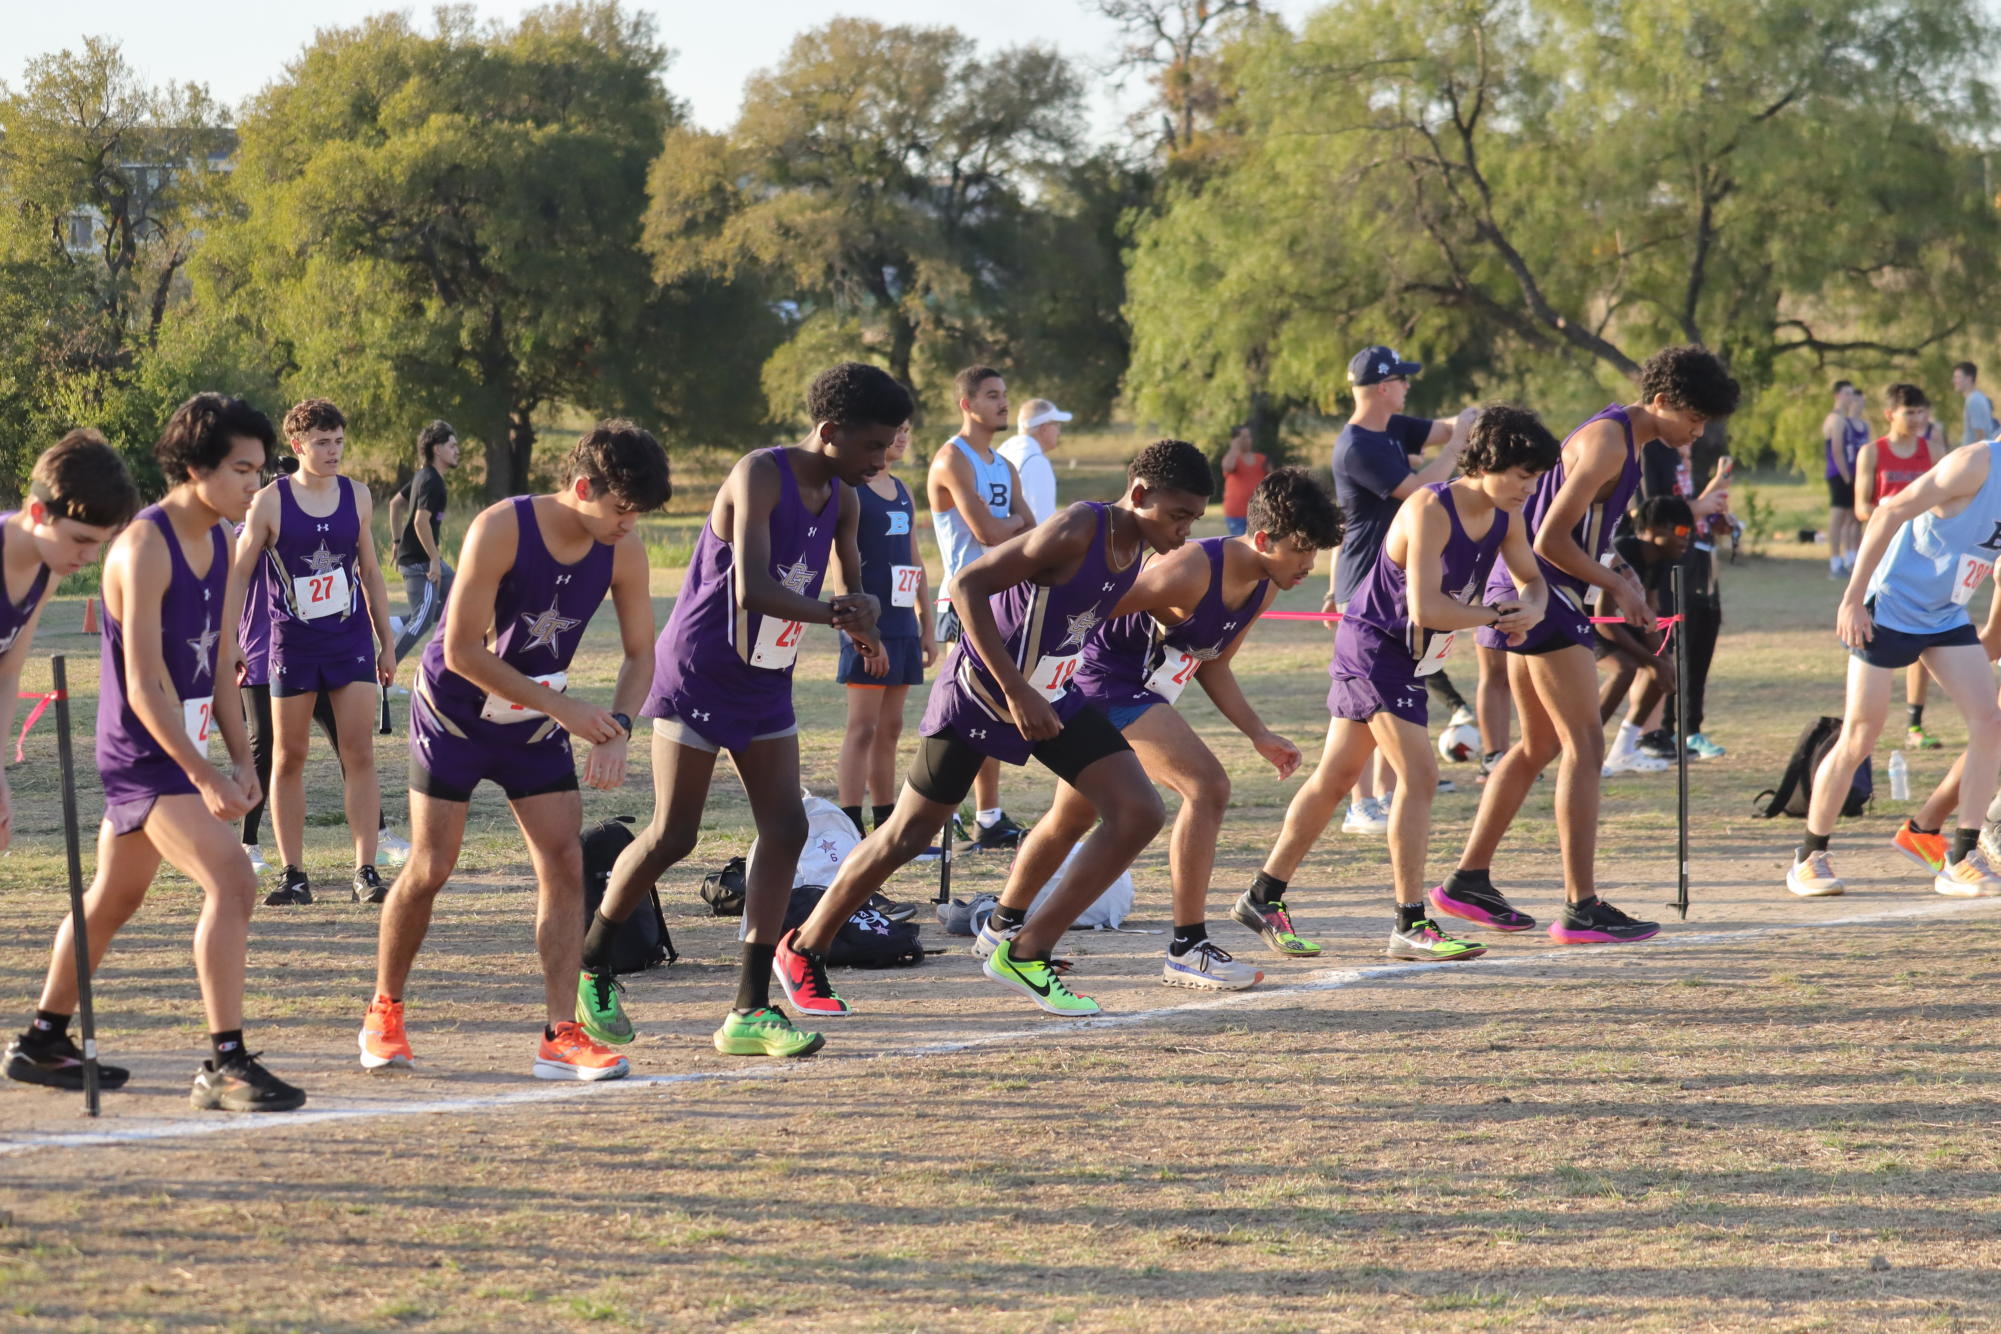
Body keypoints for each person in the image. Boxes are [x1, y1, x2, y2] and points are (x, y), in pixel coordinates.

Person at [770, 439, 1215, 1025]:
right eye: (1178, 515)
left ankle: (1027, 953)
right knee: (907, 834)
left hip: (1052, 694)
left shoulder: (1139, 547)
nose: (1184, 531)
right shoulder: (1079, 528)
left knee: (1138, 811)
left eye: (1194, 520)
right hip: (982, 693)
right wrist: (1016, 690)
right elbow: (968, 587)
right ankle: (802, 948)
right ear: (1138, 495)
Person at [575, 364, 898, 1062]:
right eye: (873, 447)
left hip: (766, 678)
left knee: (784, 827)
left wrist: (864, 618)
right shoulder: (761, 475)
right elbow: (751, 589)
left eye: (890, 446)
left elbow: (850, 579)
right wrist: (835, 616)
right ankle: (592, 965)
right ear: (831, 430)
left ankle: (748, 1010)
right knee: (673, 834)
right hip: (700, 669)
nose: (883, 460)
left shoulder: (843, 499)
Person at [6, 394, 307, 1111]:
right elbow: (144, 686)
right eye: (241, 469)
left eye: (261, 471)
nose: (253, 486)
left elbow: (224, 659)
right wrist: (203, 775)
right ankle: (224, 1063)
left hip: (186, 747)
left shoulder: (226, 543)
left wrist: (241, 760)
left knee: (111, 900)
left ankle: (43, 1038)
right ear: (195, 466)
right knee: (233, 880)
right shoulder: (143, 545)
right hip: (142, 756)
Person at [360, 421, 671, 1079]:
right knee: (431, 866)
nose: (628, 523)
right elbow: (460, 651)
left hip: (532, 722)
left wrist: (616, 726)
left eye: (638, 513)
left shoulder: (624, 549)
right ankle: (384, 1012)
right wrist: (564, 710)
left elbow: (643, 654)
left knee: (562, 859)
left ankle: (559, 1034)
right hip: (455, 713)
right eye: (621, 508)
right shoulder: (502, 527)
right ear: (583, 487)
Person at [1433, 346, 1740, 944]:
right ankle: (1580, 905)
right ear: (1661, 402)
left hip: (1531, 594)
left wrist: (1617, 577)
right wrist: (1619, 588)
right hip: (1541, 595)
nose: (1695, 435)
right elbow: (1549, 539)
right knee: (1586, 745)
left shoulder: (1624, 439)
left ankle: (1467, 880)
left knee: (1538, 745)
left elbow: (1570, 533)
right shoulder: (1608, 442)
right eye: (1693, 420)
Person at [1248, 407, 1555, 960]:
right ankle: (1410, 924)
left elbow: (1534, 580)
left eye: (1534, 479)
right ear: (1486, 462)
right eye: (1521, 476)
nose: (1528, 489)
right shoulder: (1430, 508)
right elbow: (1427, 607)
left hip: (1406, 657)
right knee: (1420, 773)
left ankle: (1262, 895)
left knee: (1337, 776)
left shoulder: (1508, 516)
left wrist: (1529, 609)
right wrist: (1493, 614)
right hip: (1374, 648)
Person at [1063, 467, 1339, 987]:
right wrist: (1033, 676)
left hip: (1136, 692)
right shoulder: (1190, 568)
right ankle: (1187, 947)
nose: (1309, 564)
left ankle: (1004, 929)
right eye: (1301, 549)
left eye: (1316, 552)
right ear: (1262, 538)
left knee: (1069, 819)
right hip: (1101, 682)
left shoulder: (1264, 586)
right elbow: (1091, 607)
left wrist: (1258, 733)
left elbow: (1214, 664)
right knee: (1207, 786)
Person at [1785, 433, 2001, 898]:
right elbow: (1887, 511)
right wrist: (1852, 600)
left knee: (1990, 722)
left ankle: (1961, 857)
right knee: (1861, 734)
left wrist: (1991, 634)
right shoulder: (1975, 464)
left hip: (1945, 615)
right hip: (1891, 608)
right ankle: (1809, 856)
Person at [226, 399, 397, 907]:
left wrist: (386, 641)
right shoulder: (269, 502)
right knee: (288, 755)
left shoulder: (358, 496)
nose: (333, 451)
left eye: (339, 441)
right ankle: (293, 874)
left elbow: (370, 571)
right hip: (291, 642)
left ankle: (365, 870)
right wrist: (232, 638)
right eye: (323, 442)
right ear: (298, 445)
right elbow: (238, 573)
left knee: (359, 750)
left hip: (349, 641)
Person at [1327, 345, 1476, 835]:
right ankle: (1361, 804)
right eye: (1403, 380)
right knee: (1369, 701)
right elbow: (1420, 490)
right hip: (1365, 589)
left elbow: (1445, 426)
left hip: (1393, 588)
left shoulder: (1392, 427)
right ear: (1384, 387)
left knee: (1401, 691)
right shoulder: (1359, 447)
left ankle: (1386, 796)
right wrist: (1456, 449)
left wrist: (1477, 420)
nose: (1410, 387)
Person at [928, 366, 1036, 853]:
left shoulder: (1003, 464)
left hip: (1003, 599)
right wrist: (1010, 523)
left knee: (993, 709)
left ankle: (988, 817)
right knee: (962, 709)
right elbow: (989, 534)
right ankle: (938, 810)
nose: (1003, 403)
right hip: (964, 600)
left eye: (1006, 395)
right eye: (992, 395)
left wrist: (1009, 524)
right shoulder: (953, 458)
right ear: (966, 404)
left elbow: (1031, 531)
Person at [833, 418, 939, 838]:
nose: (901, 437)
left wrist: (926, 623)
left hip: (902, 624)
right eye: (894, 429)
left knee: (891, 728)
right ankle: (848, 823)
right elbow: (840, 563)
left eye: (908, 430)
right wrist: (859, 632)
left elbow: (914, 560)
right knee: (863, 727)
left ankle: (884, 819)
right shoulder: (851, 489)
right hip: (866, 624)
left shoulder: (905, 492)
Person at [1856, 383, 1943, 750]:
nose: (1919, 419)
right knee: (1874, 641)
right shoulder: (1871, 453)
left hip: (1925, 560)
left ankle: (1914, 724)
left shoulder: (1934, 450)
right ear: (1891, 414)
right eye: (1910, 412)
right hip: (1882, 561)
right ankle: (1863, 730)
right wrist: (1895, 511)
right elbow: (1861, 507)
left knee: (1922, 640)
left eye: (1923, 411)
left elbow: (1952, 501)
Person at [1596, 496, 1692, 773]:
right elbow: (1604, 621)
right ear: (1655, 528)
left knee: (1662, 666)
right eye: (1682, 531)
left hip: (1619, 626)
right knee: (1625, 669)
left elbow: (1649, 617)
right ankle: (1587, 750)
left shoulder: (1661, 559)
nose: (1687, 539)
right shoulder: (1624, 552)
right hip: (1589, 623)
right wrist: (1651, 661)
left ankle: (1623, 750)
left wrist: (1660, 658)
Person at [389, 420, 461, 660]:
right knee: (422, 620)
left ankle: (396, 624)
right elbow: (421, 521)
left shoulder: (424, 476)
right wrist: (433, 560)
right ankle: (383, 675)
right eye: (451, 446)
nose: (457, 450)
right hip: (421, 563)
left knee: (463, 596)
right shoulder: (432, 482)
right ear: (437, 449)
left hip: (424, 558)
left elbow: (395, 504)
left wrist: (397, 541)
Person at [997, 398, 1069, 524]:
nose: (1059, 431)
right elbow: (1042, 522)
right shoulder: (1036, 461)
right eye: (1056, 424)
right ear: (1044, 428)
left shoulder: (1006, 450)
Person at [1823, 381, 1868, 578]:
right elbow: (1836, 450)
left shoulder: (1843, 420)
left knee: (1852, 517)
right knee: (1838, 517)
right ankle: (1835, 561)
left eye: (1852, 394)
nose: (1851, 398)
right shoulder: (1836, 420)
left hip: (1850, 474)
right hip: (1840, 474)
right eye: (1847, 394)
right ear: (1838, 395)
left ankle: (1850, 557)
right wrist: (1846, 476)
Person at [1219, 424, 1269, 539]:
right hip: (1236, 513)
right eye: (1244, 437)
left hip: (1259, 512)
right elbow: (1227, 466)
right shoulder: (1232, 458)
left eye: (1249, 436)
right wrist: (1234, 447)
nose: (1248, 440)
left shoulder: (1261, 458)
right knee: (1241, 546)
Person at [1956, 362, 1996, 448]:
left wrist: (1974, 458)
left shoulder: (1973, 401)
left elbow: (1980, 434)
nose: (1954, 381)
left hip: (1976, 456)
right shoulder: (1977, 397)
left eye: (1958, 377)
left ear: (1968, 378)